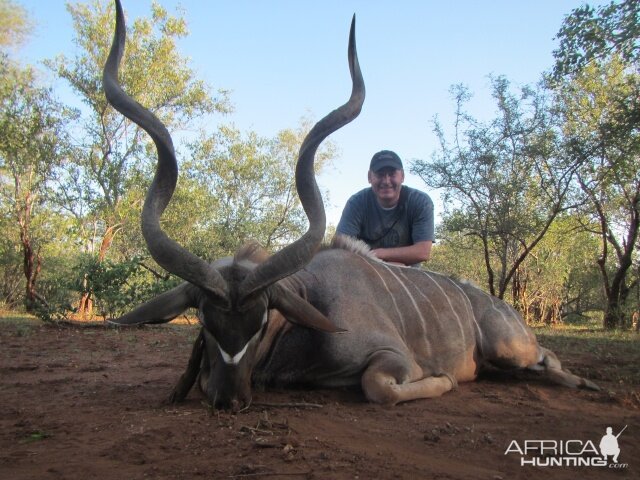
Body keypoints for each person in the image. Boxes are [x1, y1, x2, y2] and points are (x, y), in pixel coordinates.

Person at [336, 150, 434, 266]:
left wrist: (379, 254)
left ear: (402, 176)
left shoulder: (420, 201)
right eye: (380, 174)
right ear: (369, 177)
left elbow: (422, 252)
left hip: (406, 275)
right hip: (366, 270)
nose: (386, 181)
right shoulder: (356, 203)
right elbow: (340, 249)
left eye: (392, 174)